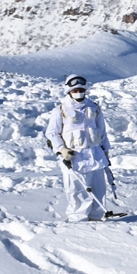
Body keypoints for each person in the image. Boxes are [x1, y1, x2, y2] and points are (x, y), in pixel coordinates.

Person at [45, 75, 113, 222]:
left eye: (81, 89)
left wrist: (105, 152)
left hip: (95, 155)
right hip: (74, 157)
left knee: (98, 189)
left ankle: (96, 218)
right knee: (77, 191)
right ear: (69, 91)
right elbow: (52, 133)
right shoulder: (60, 110)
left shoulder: (94, 107)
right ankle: (78, 222)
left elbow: (102, 131)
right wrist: (62, 150)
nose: (78, 92)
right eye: (75, 90)